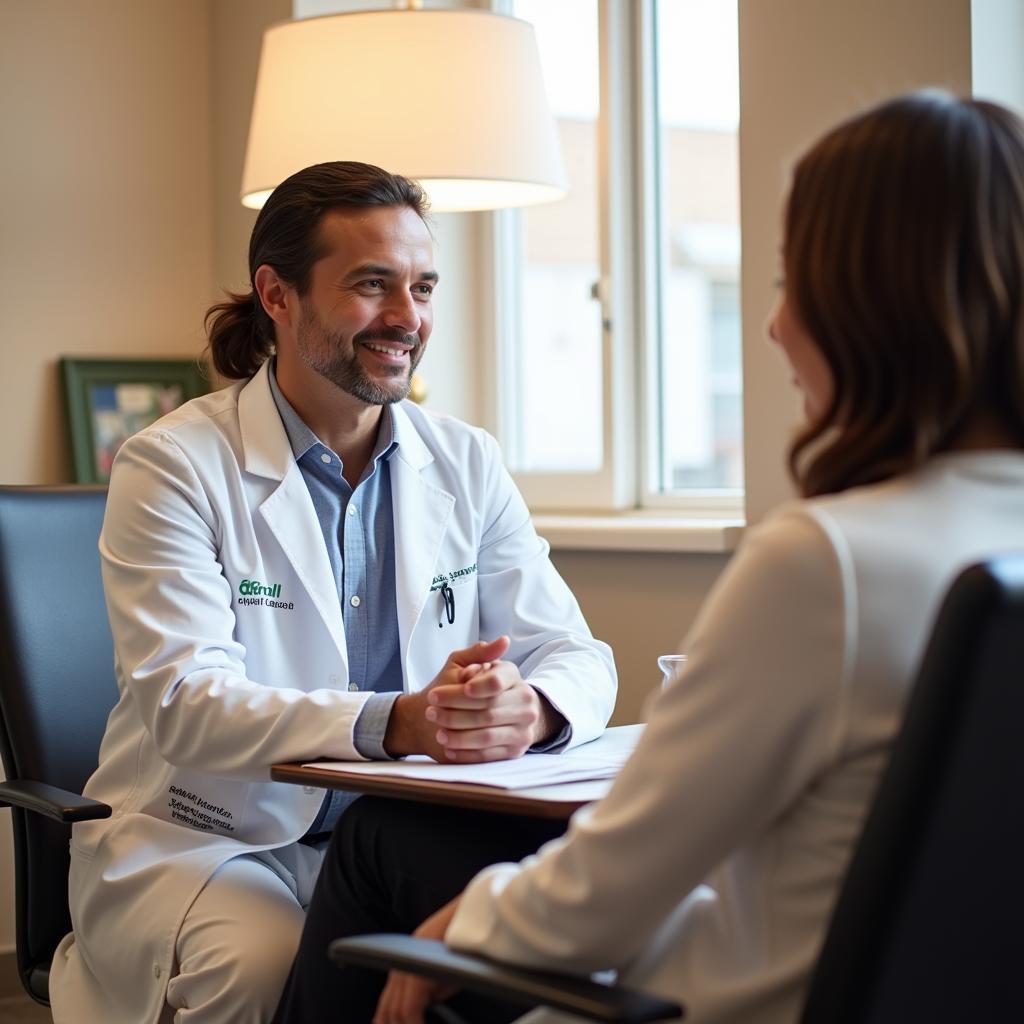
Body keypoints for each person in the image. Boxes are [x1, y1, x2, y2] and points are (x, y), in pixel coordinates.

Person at [282, 92, 1024, 1024]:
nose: (774, 327)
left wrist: (461, 926)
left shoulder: (824, 564)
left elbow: (606, 888)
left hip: (737, 998)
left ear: (869, 305)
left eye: (794, 282)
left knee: (403, 892)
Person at [47, 161, 617, 1024]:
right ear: (276, 295)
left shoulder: (465, 461)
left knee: (540, 950)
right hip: (209, 837)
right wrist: (401, 720)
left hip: (395, 836)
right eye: (371, 285)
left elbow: (578, 656)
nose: (408, 317)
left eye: (422, 286)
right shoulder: (174, 465)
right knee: (263, 962)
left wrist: (528, 708)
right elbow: (185, 702)